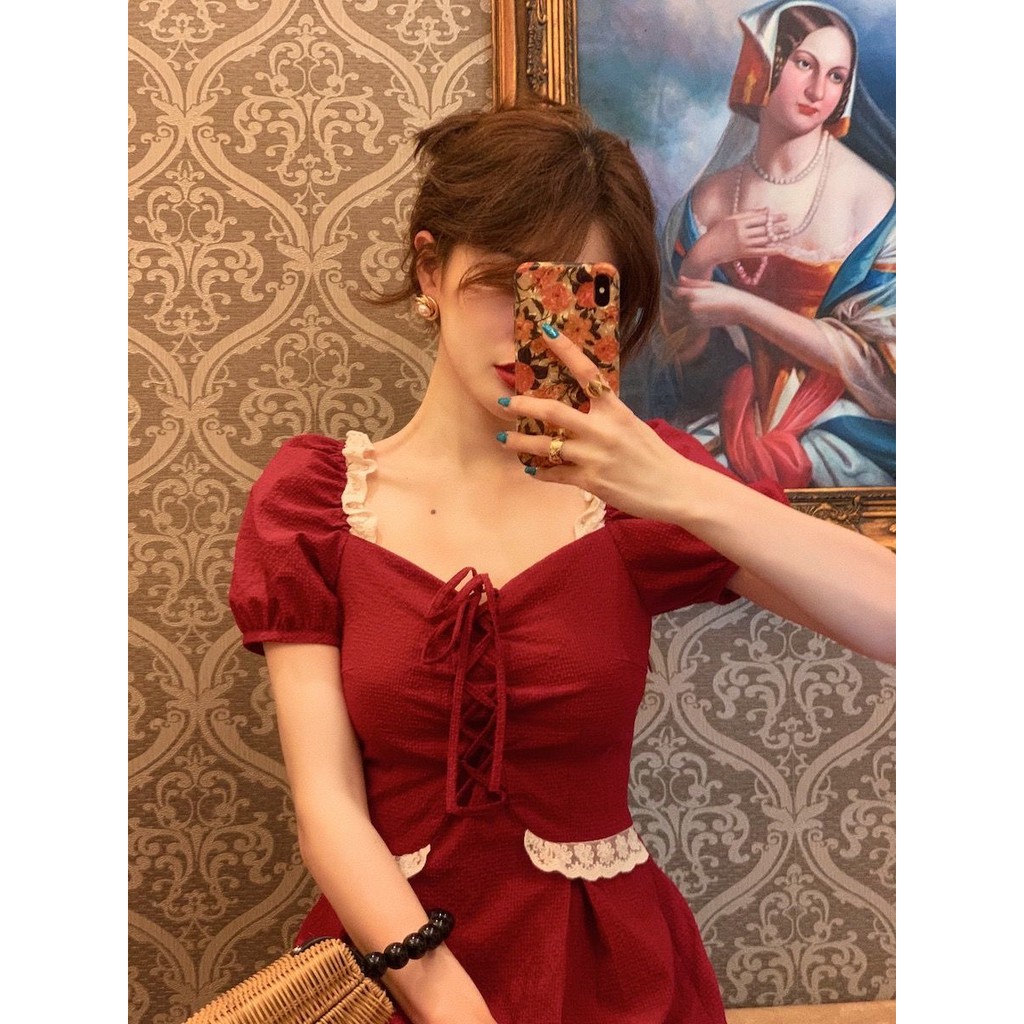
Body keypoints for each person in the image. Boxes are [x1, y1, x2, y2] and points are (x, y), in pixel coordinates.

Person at [228, 100, 896, 1024]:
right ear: (430, 269)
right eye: (504, 282)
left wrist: (677, 484)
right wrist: (448, 1004)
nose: (532, 332)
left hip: (609, 974)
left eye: (575, 294)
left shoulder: (636, 499)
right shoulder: (316, 503)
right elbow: (326, 804)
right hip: (390, 970)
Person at [657, 0, 896, 488]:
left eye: (836, 76)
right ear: (762, 67)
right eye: (804, 64)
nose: (817, 91)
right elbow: (680, 356)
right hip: (738, 413)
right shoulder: (708, 200)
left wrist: (746, 309)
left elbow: (889, 375)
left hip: (842, 426)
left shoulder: (872, 200)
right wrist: (704, 257)